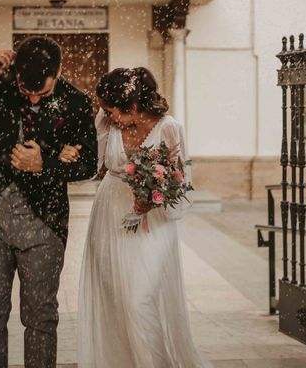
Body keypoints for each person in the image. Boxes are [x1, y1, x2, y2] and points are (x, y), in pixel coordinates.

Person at [0, 36, 97, 368]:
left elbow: (88, 166)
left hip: (44, 221)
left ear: (58, 72)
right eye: (27, 91)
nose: (33, 97)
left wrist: (47, 164)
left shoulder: (76, 102)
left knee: (41, 316)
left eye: (42, 92)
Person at [74, 67, 211, 368]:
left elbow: (183, 185)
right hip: (109, 213)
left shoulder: (169, 128)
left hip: (155, 221)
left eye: (112, 111)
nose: (108, 117)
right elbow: (87, 167)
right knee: (115, 297)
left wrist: (154, 198)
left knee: (139, 298)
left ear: (133, 107)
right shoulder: (107, 124)